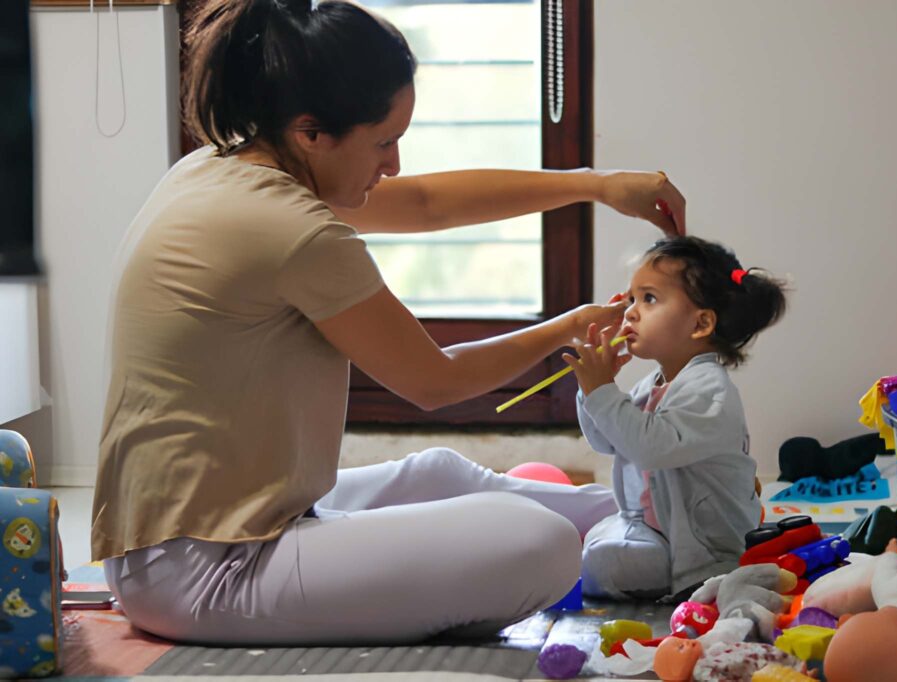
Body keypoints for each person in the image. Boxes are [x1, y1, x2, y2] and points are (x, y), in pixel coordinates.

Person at [90, 0, 687, 645]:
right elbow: (435, 381)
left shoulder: (220, 167)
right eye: (383, 141)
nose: (394, 163)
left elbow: (428, 204)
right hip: (207, 569)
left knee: (440, 473)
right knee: (538, 545)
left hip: (217, 525)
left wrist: (594, 184)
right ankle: (645, 538)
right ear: (311, 131)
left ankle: (662, 517)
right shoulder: (291, 229)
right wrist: (566, 328)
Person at [567, 236, 787, 600]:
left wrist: (602, 392)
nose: (630, 312)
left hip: (700, 551)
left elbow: (651, 448)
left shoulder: (709, 391)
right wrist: (591, 389)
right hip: (654, 528)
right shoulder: (655, 382)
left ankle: (572, 565)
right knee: (595, 537)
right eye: (631, 299)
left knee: (603, 561)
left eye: (648, 299)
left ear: (700, 324)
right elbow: (606, 440)